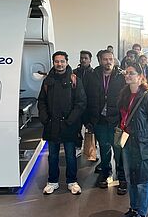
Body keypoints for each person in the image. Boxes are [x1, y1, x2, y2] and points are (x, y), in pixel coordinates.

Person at [38, 51, 87, 195]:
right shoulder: (47, 80)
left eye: (62, 61)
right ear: (53, 63)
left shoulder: (74, 79)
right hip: (52, 124)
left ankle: (72, 181)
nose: (59, 64)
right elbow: (41, 101)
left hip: (69, 125)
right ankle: (52, 181)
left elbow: (81, 102)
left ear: (67, 62)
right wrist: (44, 118)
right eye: (56, 61)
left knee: (70, 155)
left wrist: (71, 120)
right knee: (52, 155)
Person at [118, 63, 148, 217]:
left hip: (143, 146)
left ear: (140, 76)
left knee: (143, 182)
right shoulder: (124, 94)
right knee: (131, 179)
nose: (128, 75)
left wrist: (147, 138)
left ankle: (142, 213)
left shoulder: (147, 96)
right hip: (128, 143)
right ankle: (134, 208)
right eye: (126, 72)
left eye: (132, 73)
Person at [85, 50, 128, 194]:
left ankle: (122, 177)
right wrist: (89, 120)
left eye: (111, 59)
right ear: (99, 60)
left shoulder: (121, 77)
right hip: (99, 120)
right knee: (104, 149)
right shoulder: (92, 76)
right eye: (105, 59)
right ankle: (106, 173)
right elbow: (87, 98)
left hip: (116, 120)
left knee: (119, 150)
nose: (108, 62)